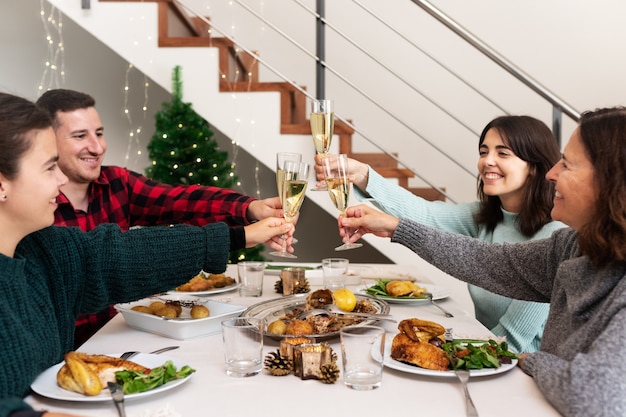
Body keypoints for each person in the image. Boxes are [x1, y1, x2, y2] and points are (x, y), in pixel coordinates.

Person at [0, 91, 291, 417]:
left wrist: (237, 235)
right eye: (49, 167)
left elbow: (121, 255)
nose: (61, 178)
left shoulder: (43, 250)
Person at [339, 107, 626, 417]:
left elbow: (595, 398)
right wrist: (398, 228)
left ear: (610, 180)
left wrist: (534, 360)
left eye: (567, 164)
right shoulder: (573, 246)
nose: (552, 173)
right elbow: (491, 263)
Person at [36, 89, 289, 346]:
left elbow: (180, 201)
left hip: (119, 336)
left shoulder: (116, 183)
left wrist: (249, 208)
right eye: (80, 136)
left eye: (99, 133)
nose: (97, 146)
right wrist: (239, 236)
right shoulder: (33, 208)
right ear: (48, 140)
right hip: (62, 349)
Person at [315, 116, 565, 353]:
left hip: (522, 375)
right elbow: (424, 214)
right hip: (488, 354)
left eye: (502, 153)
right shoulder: (486, 218)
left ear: (534, 166)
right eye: (483, 151)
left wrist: (438, 350)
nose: (487, 161)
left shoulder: (554, 237)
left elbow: (511, 340)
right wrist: (362, 175)